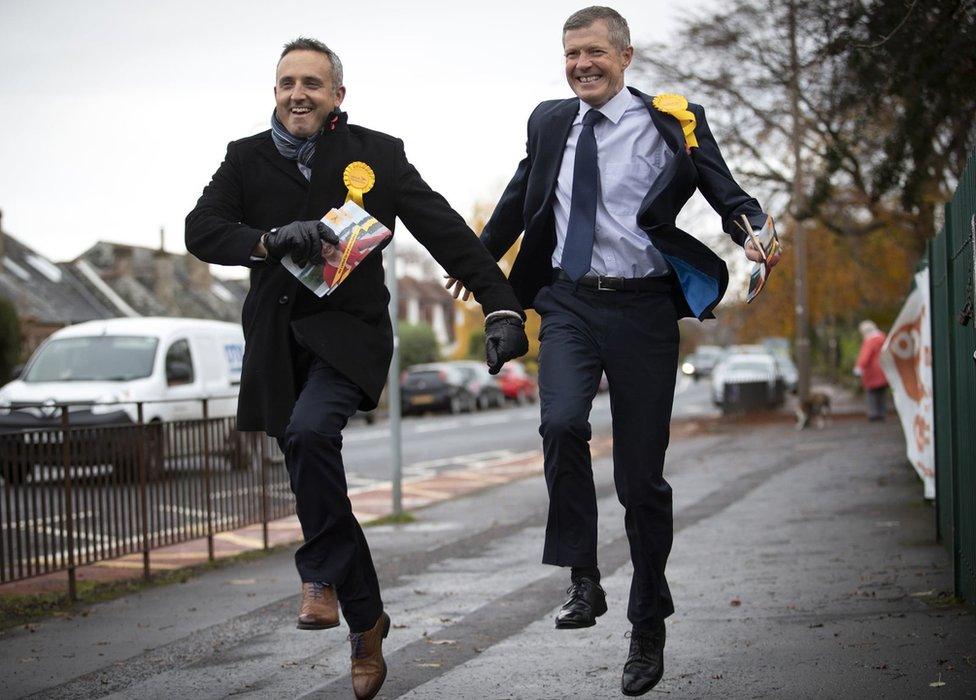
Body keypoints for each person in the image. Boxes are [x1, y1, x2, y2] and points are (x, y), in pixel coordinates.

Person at [449, 6, 780, 696]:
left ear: (625, 56)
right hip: (569, 301)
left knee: (639, 482)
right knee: (562, 422)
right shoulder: (548, 121)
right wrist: (479, 258)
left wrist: (750, 228)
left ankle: (647, 622)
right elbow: (521, 195)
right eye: (572, 54)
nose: (581, 65)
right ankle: (583, 577)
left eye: (594, 52)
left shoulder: (671, 118)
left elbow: (724, 188)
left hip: (642, 308)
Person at [185, 38, 527, 700]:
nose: (297, 94)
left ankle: (319, 577)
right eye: (287, 83)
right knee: (319, 482)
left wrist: (502, 308)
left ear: (337, 94)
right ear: (275, 92)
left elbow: (447, 232)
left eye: (312, 83)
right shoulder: (244, 159)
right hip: (277, 348)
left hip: (349, 339)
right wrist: (265, 240)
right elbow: (202, 229)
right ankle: (366, 625)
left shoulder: (376, 155)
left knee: (313, 435)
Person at [855, 320, 888, 421]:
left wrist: (859, 367)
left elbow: (865, 356)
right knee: (882, 393)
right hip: (884, 369)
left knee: (871, 393)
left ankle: (873, 413)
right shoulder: (883, 338)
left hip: (872, 371)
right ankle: (881, 413)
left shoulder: (869, 341)